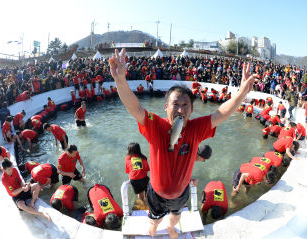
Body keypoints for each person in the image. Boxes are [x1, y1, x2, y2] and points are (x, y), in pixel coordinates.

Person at [109, 48, 255, 239]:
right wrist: (120, 80)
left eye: (185, 105)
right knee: (154, 218)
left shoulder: (195, 129)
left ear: (192, 109)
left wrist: (242, 93)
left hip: (181, 194)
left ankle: (171, 228)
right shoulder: (156, 126)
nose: (180, 109)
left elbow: (221, 113)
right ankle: (153, 229)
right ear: (166, 107)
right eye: (175, 104)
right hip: (156, 192)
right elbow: (135, 107)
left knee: (176, 217)